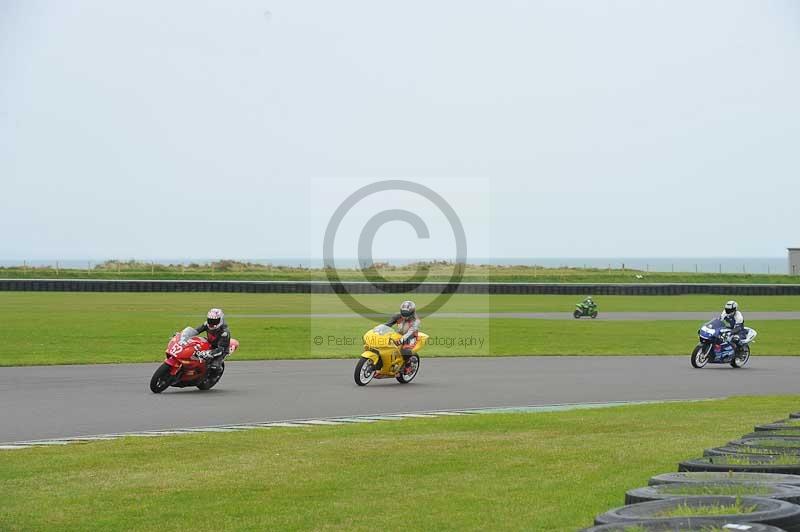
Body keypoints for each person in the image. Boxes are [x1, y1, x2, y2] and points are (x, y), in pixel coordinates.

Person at [384, 300, 421, 365]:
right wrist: (379, 330)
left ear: (412, 312)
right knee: (385, 346)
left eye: (406, 314)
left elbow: (410, 333)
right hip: (398, 335)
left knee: (404, 351)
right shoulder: (397, 316)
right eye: (403, 313)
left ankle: (406, 364)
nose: (404, 316)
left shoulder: (416, 321)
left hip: (410, 338)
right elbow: (388, 324)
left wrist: (401, 340)